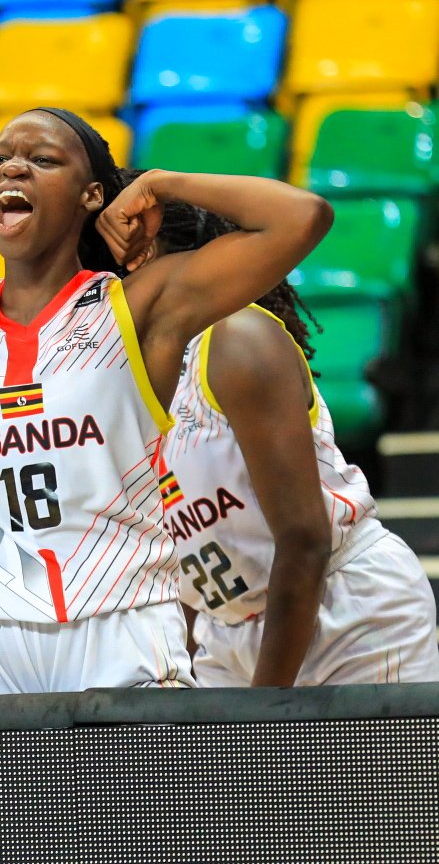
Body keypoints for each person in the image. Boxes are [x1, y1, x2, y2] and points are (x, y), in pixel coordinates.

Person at [0, 107, 332, 696]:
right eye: (0, 156)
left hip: (120, 629)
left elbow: (302, 218)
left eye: (42, 159)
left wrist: (161, 183)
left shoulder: (134, 310)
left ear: (90, 195)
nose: (14, 167)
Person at [116, 169, 439, 687]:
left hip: (346, 611)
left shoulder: (235, 340)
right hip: (231, 630)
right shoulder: (120, 380)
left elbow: (304, 539)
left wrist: (265, 714)